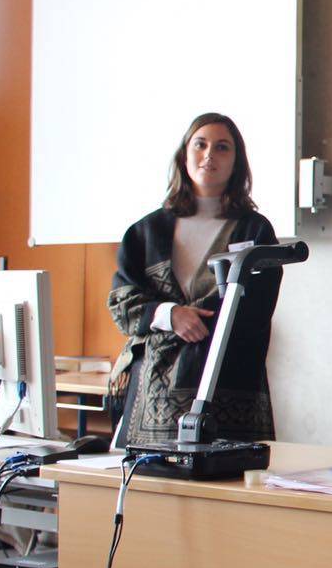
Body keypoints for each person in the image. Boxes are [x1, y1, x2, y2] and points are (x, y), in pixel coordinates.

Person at [108, 113, 281, 447]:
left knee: (231, 490)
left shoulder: (256, 231)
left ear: (237, 162)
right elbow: (122, 301)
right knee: (153, 490)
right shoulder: (145, 232)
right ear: (184, 154)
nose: (209, 155)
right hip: (155, 391)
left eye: (222, 147)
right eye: (200, 144)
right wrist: (170, 315)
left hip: (231, 387)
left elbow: (257, 306)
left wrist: (199, 320)